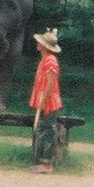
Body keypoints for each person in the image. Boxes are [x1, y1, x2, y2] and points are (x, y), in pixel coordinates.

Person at [29, 27, 63, 173]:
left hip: (49, 102)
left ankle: (47, 163)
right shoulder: (44, 60)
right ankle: (40, 161)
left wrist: (43, 102)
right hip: (43, 102)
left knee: (47, 131)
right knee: (42, 130)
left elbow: (50, 83)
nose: (38, 44)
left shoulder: (50, 60)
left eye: (40, 42)